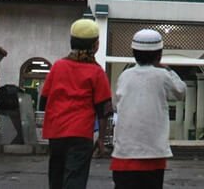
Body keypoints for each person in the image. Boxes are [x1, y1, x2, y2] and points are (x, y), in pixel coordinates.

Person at [41, 18, 113, 189]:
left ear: (71, 42)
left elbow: (43, 101)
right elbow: (104, 111)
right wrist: (101, 139)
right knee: (75, 178)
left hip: (56, 132)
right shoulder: (97, 72)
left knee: (56, 177)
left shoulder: (58, 66)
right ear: (96, 46)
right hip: (81, 134)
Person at [111, 29, 186, 189]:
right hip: (153, 152)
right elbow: (181, 92)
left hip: (124, 153)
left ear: (134, 53)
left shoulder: (124, 76)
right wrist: (168, 69)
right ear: (159, 55)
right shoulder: (163, 76)